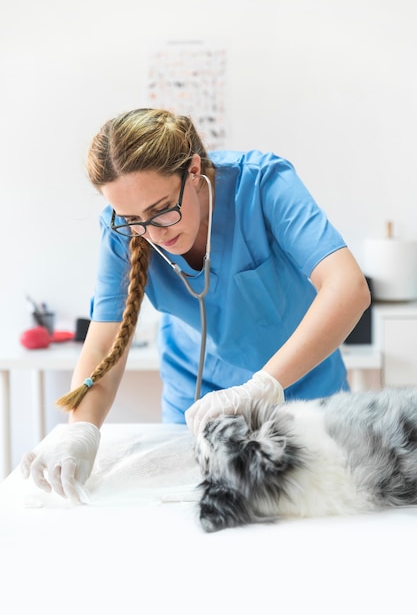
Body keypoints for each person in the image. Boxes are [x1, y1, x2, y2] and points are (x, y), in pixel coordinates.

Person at [20, 108, 371, 503]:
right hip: (196, 402)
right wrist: (81, 429)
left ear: (193, 171)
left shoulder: (262, 184)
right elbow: (103, 345)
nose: (152, 233)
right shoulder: (119, 230)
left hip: (304, 389)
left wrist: (262, 386)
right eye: (133, 219)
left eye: (162, 210)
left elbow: (347, 288)